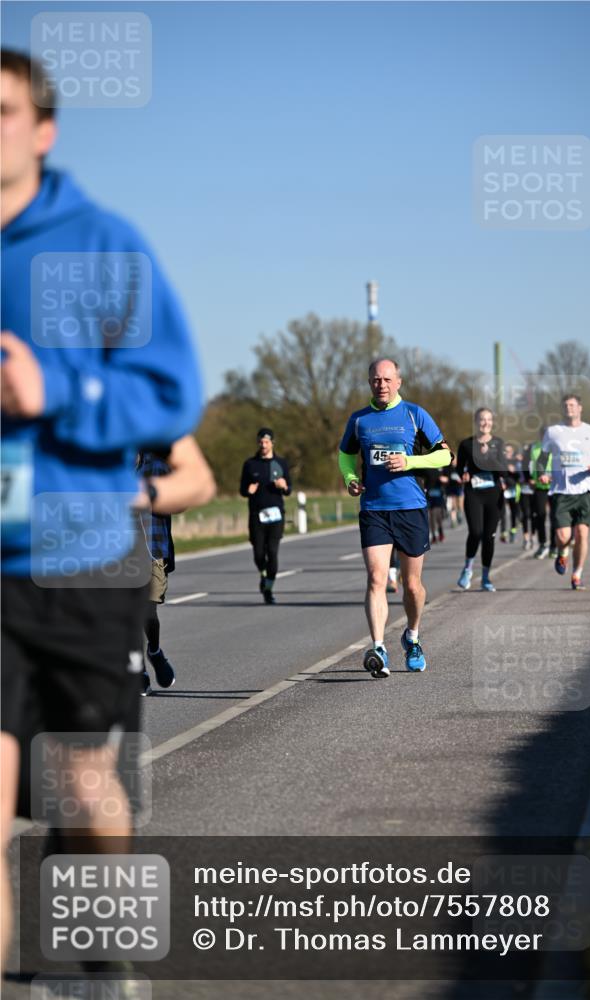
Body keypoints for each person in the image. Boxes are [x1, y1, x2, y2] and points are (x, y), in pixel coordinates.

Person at [0, 49, 202, 967]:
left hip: (82, 560)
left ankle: (104, 966)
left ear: (41, 131)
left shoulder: (100, 243)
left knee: (80, 785)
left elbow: (172, 394)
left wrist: (63, 394)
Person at [338, 359, 450, 678]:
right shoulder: (359, 420)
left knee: (412, 586)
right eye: (376, 380)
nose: (381, 385)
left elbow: (445, 454)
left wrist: (410, 461)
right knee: (376, 578)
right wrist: (349, 478)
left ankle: (412, 637)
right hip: (373, 508)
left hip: (410, 508)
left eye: (387, 379)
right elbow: (345, 454)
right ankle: (378, 647)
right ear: (369, 382)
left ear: (398, 382)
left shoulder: (415, 414)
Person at [137, 436, 215, 694]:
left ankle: (155, 650)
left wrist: (153, 496)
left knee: (148, 612)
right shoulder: (108, 463)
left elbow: (185, 498)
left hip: (152, 549)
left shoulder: (157, 464)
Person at [538, 394, 590, 591]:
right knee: (562, 536)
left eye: (572, 405)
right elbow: (543, 458)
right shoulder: (553, 432)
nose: (569, 408)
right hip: (561, 489)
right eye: (565, 405)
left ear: (580, 408)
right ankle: (562, 552)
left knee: (582, 534)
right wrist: (542, 473)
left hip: (585, 489)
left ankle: (577, 575)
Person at [455, 408, 506, 592]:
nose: (486, 423)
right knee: (475, 532)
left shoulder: (498, 443)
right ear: (476, 421)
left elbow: (503, 470)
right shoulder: (466, 444)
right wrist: (463, 475)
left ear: (492, 422)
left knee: (489, 537)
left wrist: (489, 456)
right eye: (482, 419)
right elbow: (459, 469)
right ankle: (468, 569)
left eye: (489, 419)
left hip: (493, 495)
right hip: (474, 493)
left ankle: (485, 577)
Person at [240, 428, 291, 604]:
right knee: (259, 554)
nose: (263, 445)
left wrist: (284, 486)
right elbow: (242, 490)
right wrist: (248, 491)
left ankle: (268, 588)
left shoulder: (281, 463)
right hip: (256, 515)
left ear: (272, 443)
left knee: (273, 552)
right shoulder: (250, 464)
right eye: (261, 442)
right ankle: (263, 574)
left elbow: (289, 489)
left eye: (266, 442)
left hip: (276, 515)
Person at [525, 432, 553, 559]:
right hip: (539, 486)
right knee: (540, 516)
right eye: (543, 435)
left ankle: (554, 546)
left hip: (554, 486)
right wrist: (529, 478)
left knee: (555, 517)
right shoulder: (534, 447)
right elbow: (527, 464)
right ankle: (543, 544)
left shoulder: (556, 446)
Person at [499, 443, 520, 544]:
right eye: (505, 451)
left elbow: (521, 475)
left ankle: (513, 531)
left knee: (513, 511)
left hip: (514, 489)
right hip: (503, 489)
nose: (507, 453)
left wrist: (515, 470)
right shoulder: (501, 461)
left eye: (509, 451)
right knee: (502, 512)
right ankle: (503, 532)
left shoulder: (517, 461)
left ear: (512, 452)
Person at [421, 466, 447, 543]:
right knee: (431, 516)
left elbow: (448, 477)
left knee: (438, 515)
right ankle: (434, 536)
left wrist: (445, 479)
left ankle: (440, 531)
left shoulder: (441, 468)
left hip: (438, 494)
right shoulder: (425, 468)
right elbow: (422, 479)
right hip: (429, 494)